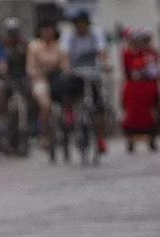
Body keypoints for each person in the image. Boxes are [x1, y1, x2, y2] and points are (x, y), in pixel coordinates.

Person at [63, 10, 109, 154]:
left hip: (93, 73)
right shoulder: (69, 36)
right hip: (76, 73)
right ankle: (70, 114)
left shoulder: (96, 34)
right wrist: (67, 67)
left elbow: (102, 52)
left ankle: (100, 138)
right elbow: (65, 55)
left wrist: (105, 64)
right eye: (78, 24)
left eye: (83, 24)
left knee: (99, 106)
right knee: (68, 89)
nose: (80, 27)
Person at [26, 21, 68, 148]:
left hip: (56, 79)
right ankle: (44, 134)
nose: (48, 33)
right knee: (45, 104)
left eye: (50, 30)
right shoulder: (34, 46)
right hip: (40, 79)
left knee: (67, 96)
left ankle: (68, 126)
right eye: (45, 31)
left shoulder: (60, 46)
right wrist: (40, 73)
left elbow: (65, 65)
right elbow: (31, 68)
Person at [122, 28, 160, 152]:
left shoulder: (153, 53)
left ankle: (152, 138)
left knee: (152, 113)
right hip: (134, 87)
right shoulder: (128, 54)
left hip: (149, 86)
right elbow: (127, 71)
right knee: (131, 114)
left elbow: (156, 72)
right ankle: (130, 140)